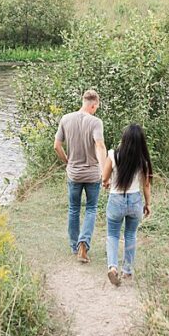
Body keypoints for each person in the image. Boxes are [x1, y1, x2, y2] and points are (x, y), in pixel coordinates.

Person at [54, 89, 107, 263]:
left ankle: (74, 245)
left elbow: (57, 146)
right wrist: (103, 169)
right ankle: (84, 243)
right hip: (92, 174)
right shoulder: (96, 122)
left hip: (74, 174)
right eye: (96, 107)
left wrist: (67, 161)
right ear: (93, 105)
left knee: (74, 209)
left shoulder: (66, 119)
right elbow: (99, 145)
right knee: (91, 209)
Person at [101, 123, 153, 286]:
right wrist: (148, 204)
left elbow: (104, 177)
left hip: (116, 199)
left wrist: (107, 182)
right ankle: (128, 270)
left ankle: (113, 268)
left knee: (112, 235)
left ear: (124, 139)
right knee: (130, 235)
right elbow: (146, 185)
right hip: (135, 200)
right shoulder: (142, 160)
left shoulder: (113, 155)